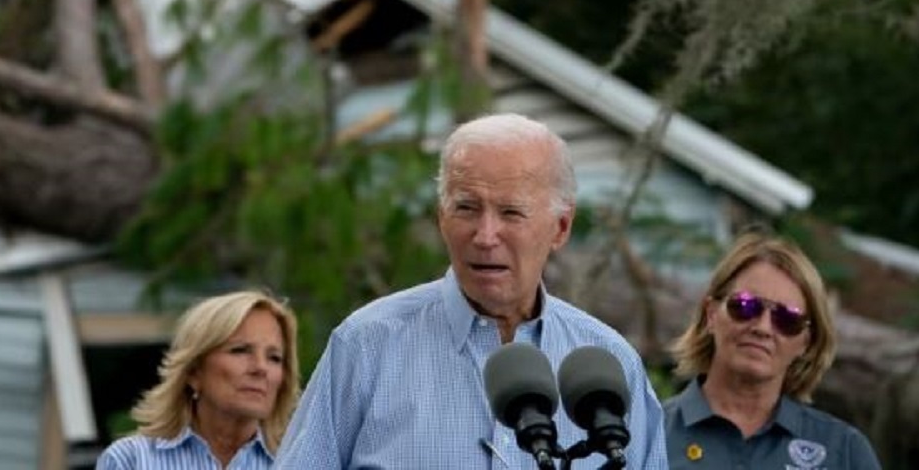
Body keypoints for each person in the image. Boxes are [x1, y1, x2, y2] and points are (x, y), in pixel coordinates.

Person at [273, 113, 669, 469]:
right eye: (466, 208)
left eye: (511, 212)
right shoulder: (367, 344)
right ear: (441, 217)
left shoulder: (610, 363)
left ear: (560, 228)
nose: (485, 235)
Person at [663, 230, 881, 469]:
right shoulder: (647, 433)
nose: (763, 328)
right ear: (711, 314)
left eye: (787, 319)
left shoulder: (845, 452)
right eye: (745, 306)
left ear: (806, 342)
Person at [97, 289, 301, 470]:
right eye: (240, 350)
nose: (260, 368)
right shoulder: (131, 461)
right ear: (194, 371)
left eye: (274, 358)